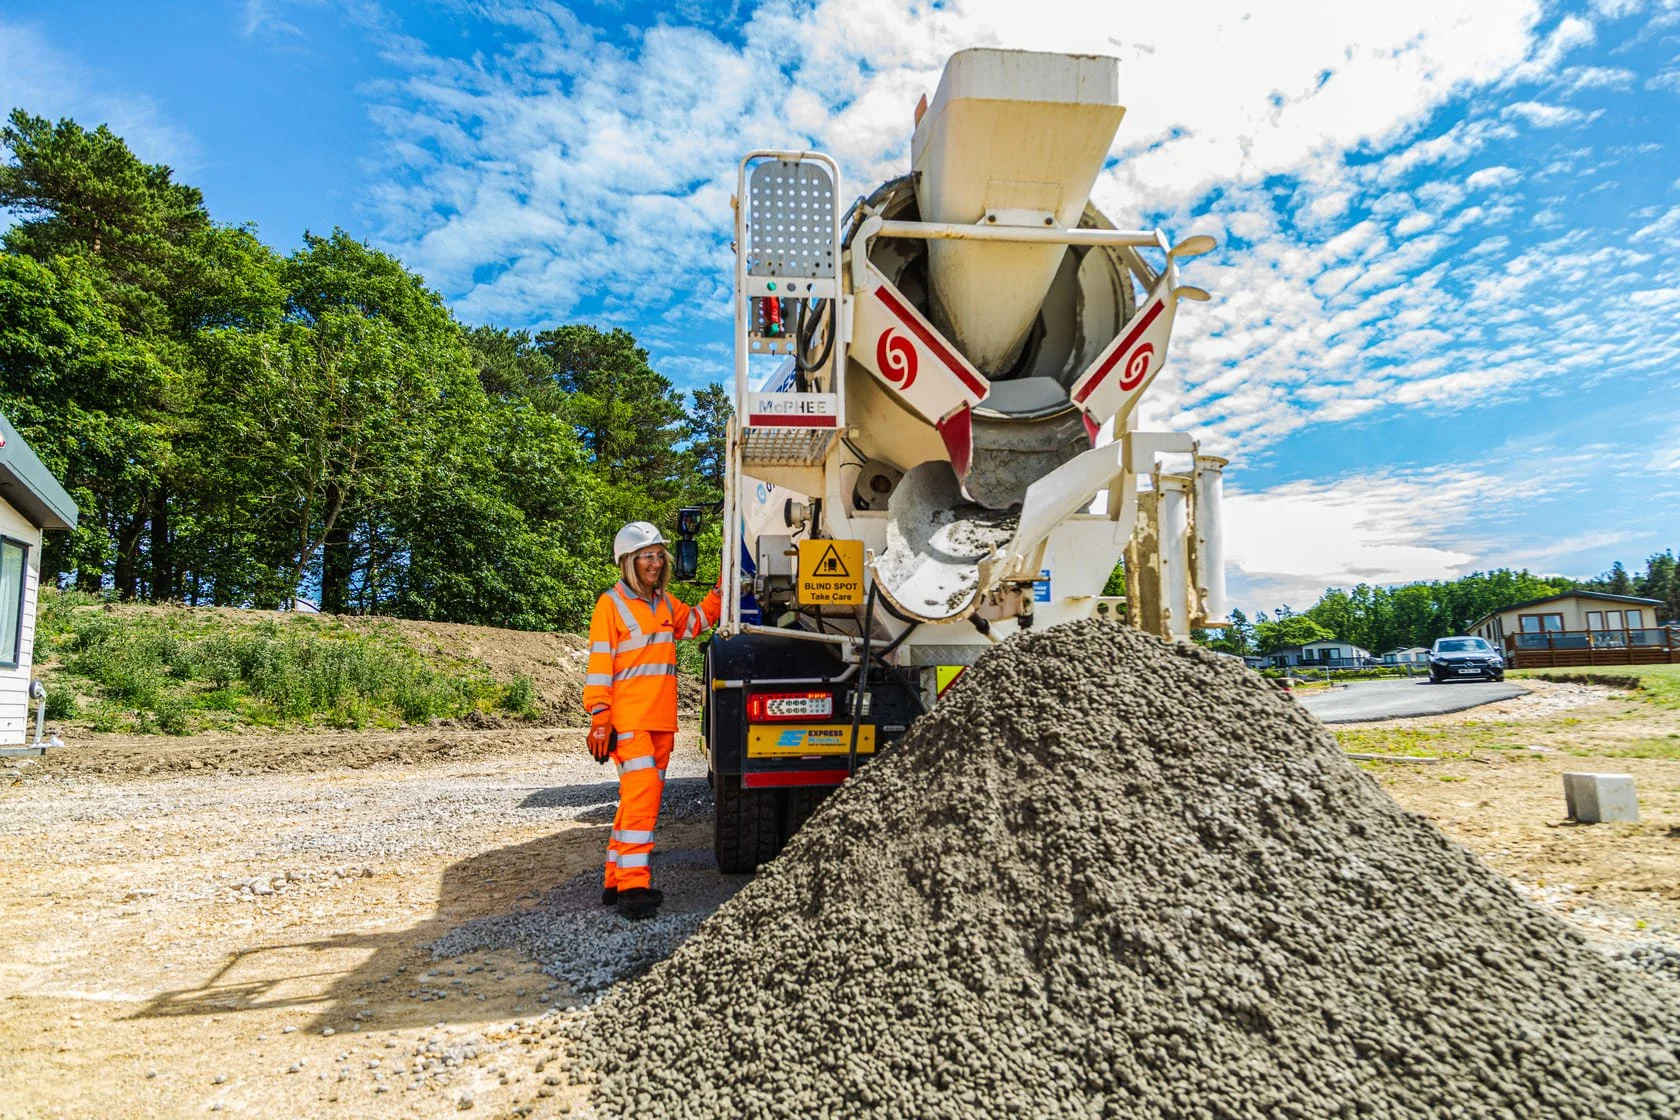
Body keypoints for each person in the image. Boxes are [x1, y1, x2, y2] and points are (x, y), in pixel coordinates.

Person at [584, 520, 722, 920]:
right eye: (648, 555)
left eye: (660, 555)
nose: (656, 562)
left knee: (636, 800)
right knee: (642, 800)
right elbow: (599, 666)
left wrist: (719, 591)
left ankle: (614, 878)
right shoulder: (610, 604)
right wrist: (599, 716)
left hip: (661, 723)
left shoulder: (664, 603)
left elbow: (694, 623)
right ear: (628, 561)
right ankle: (633, 887)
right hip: (629, 723)